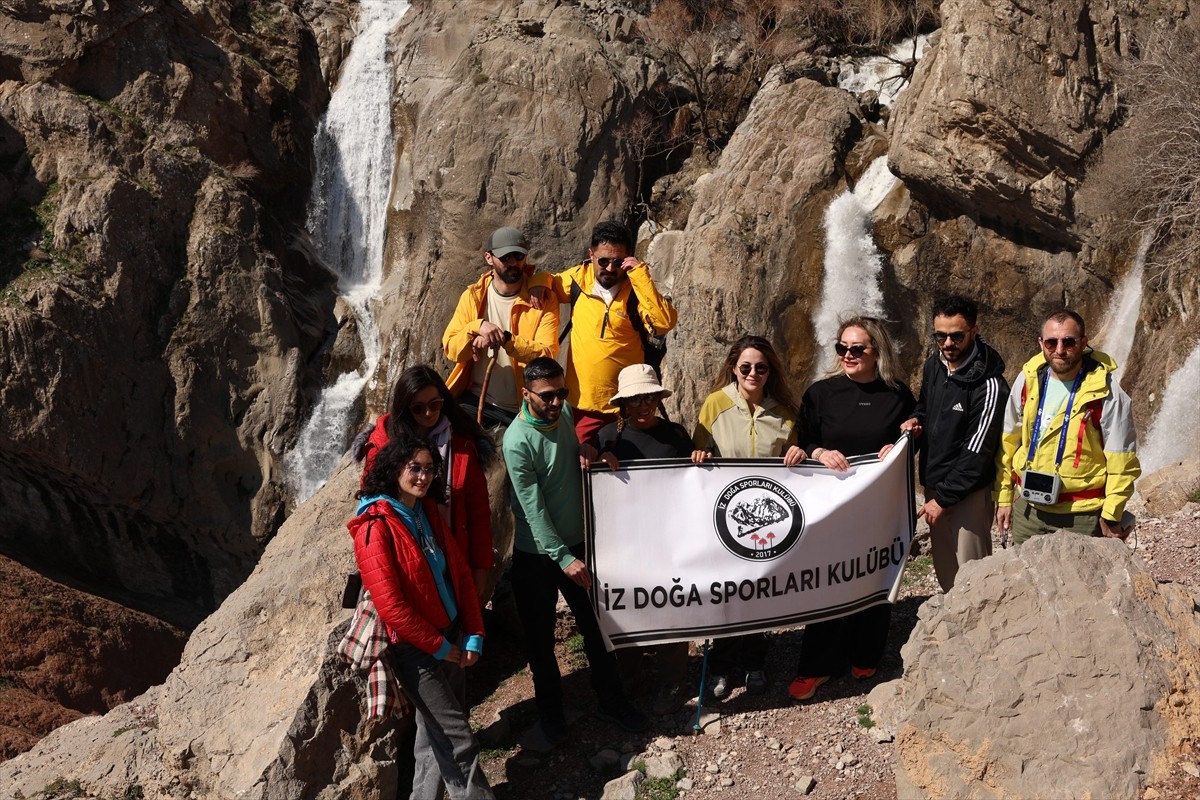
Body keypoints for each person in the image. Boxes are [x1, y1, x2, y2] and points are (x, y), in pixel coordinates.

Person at [502, 357, 649, 746]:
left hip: (578, 543)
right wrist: (563, 557)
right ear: (526, 394)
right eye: (547, 396)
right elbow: (532, 508)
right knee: (540, 641)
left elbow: (575, 448)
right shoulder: (517, 441)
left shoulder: (564, 412)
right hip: (537, 555)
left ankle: (611, 701)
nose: (556, 402)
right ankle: (551, 717)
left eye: (561, 393)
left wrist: (589, 448)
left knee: (597, 628)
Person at [349, 436, 494, 800]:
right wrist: (442, 648)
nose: (423, 476)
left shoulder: (424, 512)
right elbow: (392, 607)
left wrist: (472, 632)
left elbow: (459, 573)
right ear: (394, 469)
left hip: (450, 633)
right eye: (414, 468)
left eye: (429, 469)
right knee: (457, 738)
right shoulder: (373, 526)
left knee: (433, 735)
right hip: (416, 650)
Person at [789, 316, 915, 702]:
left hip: (876, 506)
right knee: (826, 579)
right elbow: (804, 441)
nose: (847, 355)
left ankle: (865, 655)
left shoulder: (898, 395)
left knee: (873, 574)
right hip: (829, 505)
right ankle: (815, 666)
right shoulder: (820, 394)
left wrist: (899, 445)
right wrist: (820, 452)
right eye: (841, 347)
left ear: (877, 352)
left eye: (857, 349)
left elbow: (911, 438)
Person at [690, 335, 807, 698]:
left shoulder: (785, 413)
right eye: (745, 367)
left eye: (761, 367)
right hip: (726, 515)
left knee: (759, 587)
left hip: (767, 519)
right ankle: (723, 666)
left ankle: (756, 660)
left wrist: (799, 454)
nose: (753, 373)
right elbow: (697, 449)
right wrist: (698, 457)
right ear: (733, 369)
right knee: (727, 590)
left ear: (770, 371)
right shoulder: (714, 405)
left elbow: (796, 467)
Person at [595, 363, 695, 714]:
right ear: (622, 403)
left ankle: (672, 682)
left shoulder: (677, 435)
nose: (642, 405)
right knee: (627, 607)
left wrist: (701, 460)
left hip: (669, 539)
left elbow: (695, 484)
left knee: (672, 608)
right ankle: (633, 678)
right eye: (634, 399)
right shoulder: (607, 438)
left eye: (648, 397)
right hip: (624, 542)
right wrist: (594, 458)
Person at [994, 309, 1141, 546]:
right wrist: (1003, 497)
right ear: (1041, 343)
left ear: (1084, 342)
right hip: (1028, 511)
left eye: (1069, 342)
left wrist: (1112, 514)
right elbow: (1008, 443)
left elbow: (1121, 461)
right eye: (1051, 342)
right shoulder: (1028, 380)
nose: (1060, 350)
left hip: (1082, 516)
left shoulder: (1108, 393)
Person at [899, 295, 1008, 592]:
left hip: (967, 494)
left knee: (974, 577)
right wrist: (915, 421)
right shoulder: (935, 364)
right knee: (947, 573)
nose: (948, 343)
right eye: (940, 335)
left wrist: (943, 499)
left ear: (974, 331)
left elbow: (978, 452)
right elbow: (925, 406)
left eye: (957, 336)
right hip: (936, 485)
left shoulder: (989, 384)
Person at [535, 220, 678, 443]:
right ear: (591, 254)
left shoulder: (636, 290)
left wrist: (640, 275)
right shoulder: (577, 279)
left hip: (627, 407)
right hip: (582, 407)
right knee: (582, 471)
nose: (610, 268)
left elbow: (663, 322)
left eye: (617, 262)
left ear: (627, 258)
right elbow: (548, 281)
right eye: (603, 261)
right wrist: (539, 280)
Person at [359, 365, 494, 597]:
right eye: (418, 408)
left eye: (435, 405)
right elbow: (370, 510)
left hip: (452, 556)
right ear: (404, 408)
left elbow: (478, 512)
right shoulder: (383, 444)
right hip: (402, 562)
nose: (429, 414)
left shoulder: (461, 445)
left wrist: (480, 569)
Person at [443, 226, 560, 427]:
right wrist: (476, 327)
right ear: (489, 258)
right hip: (476, 399)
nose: (513, 262)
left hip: (524, 408)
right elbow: (451, 349)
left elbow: (547, 354)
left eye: (518, 256)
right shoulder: (473, 296)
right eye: (505, 258)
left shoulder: (543, 300)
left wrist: (506, 339)